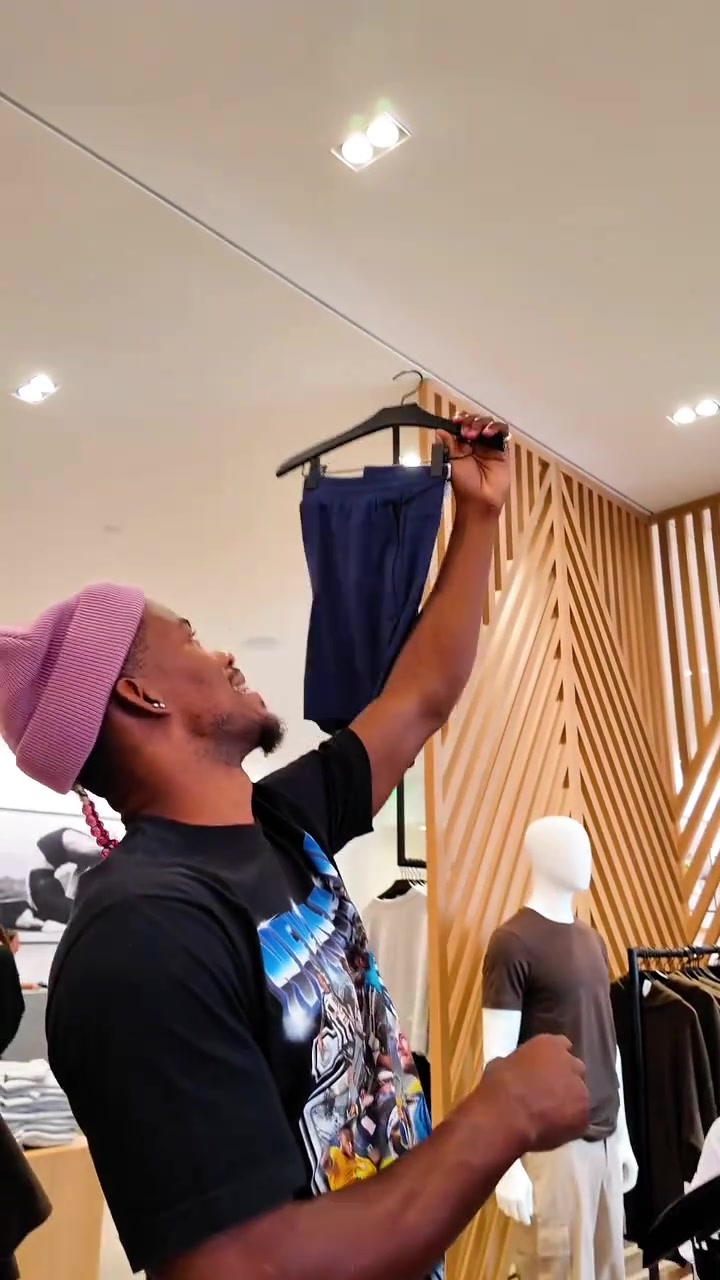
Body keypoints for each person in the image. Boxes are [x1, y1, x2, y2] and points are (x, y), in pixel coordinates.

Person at [0, 420, 590, 1280]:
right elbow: (242, 1265)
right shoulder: (142, 935)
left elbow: (420, 697)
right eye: (191, 636)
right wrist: (500, 1116)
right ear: (139, 693)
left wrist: (481, 516)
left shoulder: (280, 820)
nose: (222, 651)